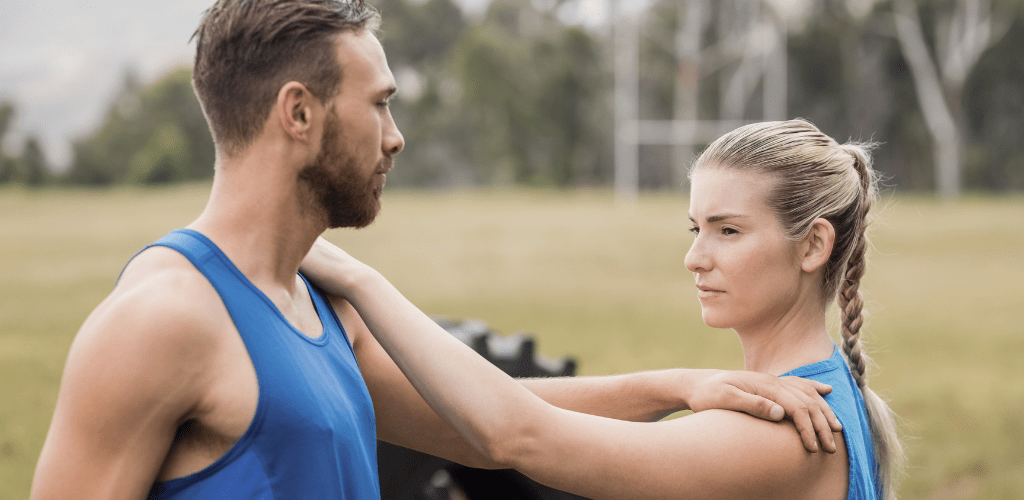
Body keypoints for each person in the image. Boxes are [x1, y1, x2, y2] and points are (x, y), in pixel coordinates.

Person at [31, 1, 842, 498]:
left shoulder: (320, 310)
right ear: (299, 113)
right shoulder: (160, 320)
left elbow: (493, 423)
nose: (396, 137)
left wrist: (681, 384)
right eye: (378, 106)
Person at [299, 118, 905, 499]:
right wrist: (677, 384)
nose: (695, 257)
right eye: (696, 227)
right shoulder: (815, 390)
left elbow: (517, 436)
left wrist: (360, 281)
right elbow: (506, 415)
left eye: (728, 231)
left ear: (814, 246)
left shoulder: (784, 434)